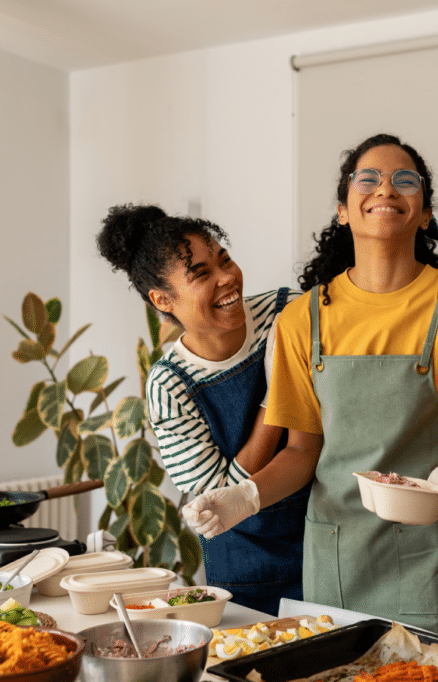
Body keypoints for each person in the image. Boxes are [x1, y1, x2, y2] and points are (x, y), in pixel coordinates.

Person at [184, 133, 438, 645]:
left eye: (405, 181)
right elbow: (301, 452)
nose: (386, 188)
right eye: (369, 179)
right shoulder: (301, 320)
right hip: (338, 562)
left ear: (424, 212)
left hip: (433, 563)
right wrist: (245, 498)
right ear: (343, 209)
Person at [96, 203, 309, 615]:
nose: (228, 278)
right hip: (247, 570)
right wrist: (274, 395)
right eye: (202, 274)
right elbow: (222, 498)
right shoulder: (170, 385)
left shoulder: (286, 313)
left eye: (224, 259)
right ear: (162, 299)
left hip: (326, 542)